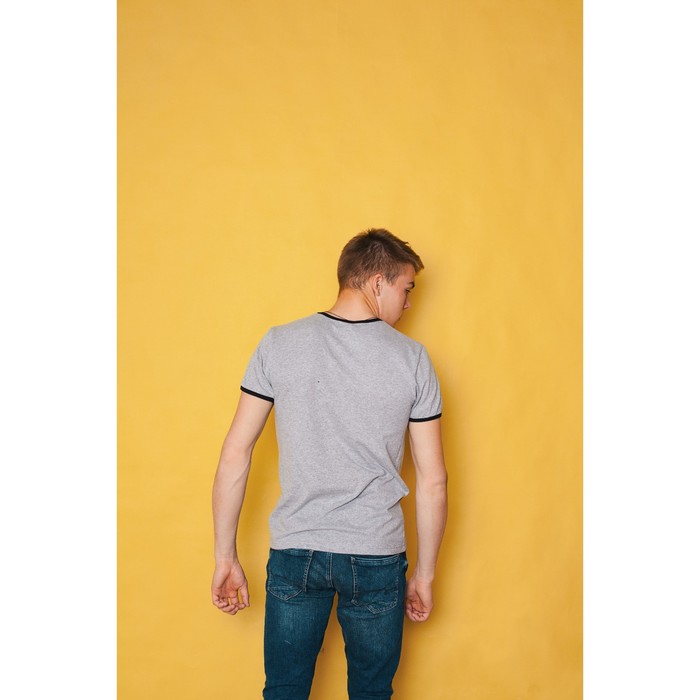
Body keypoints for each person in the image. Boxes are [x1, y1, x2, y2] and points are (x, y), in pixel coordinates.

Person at [211, 228, 448, 699]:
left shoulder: (279, 344)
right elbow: (433, 481)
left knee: (284, 690)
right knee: (372, 693)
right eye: (405, 289)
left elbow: (236, 454)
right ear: (377, 282)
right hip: (376, 554)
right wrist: (424, 574)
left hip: (296, 549)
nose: (408, 304)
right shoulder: (413, 359)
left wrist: (225, 556)